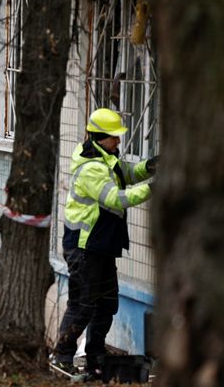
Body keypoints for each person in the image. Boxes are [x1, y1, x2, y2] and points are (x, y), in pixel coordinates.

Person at [51, 108, 157, 379]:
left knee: (107, 304)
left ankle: (95, 356)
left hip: (101, 246)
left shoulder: (106, 158)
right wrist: (153, 187)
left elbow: (128, 172)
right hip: (84, 247)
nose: (119, 142)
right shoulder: (91, 168)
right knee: (83, 304)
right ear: (100, 137)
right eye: (114, 138)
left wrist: (150, 167)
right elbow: (116, 199)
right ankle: (62, 357)